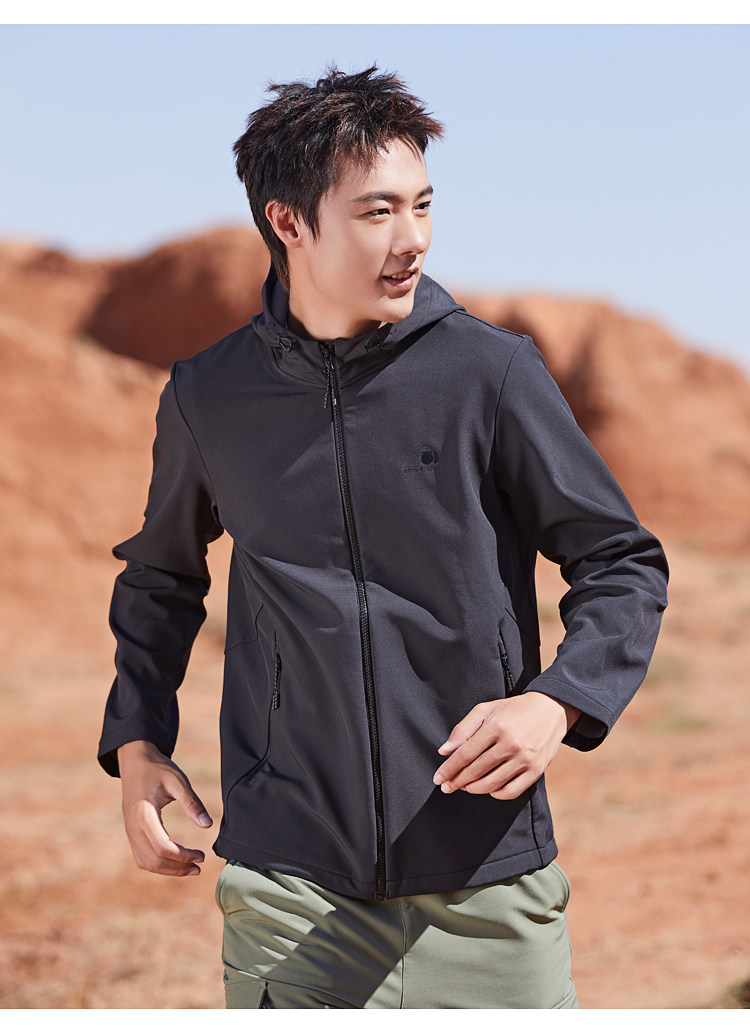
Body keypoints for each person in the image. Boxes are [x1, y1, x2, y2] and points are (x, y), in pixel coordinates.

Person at [98, 65, 668, 1009]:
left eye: (423, 205)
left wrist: (558, 702)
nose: (413, 239)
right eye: (377, 212)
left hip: (486, 877)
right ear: (289, 222)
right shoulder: (210, 395)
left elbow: (620, 561)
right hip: (290, 885)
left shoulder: (489, 372)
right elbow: (160, 577)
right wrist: (136, 741)